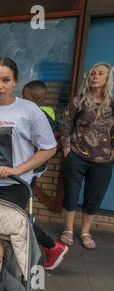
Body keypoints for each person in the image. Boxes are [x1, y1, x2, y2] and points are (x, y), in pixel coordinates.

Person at [0, 57, 68, 271]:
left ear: (14, 82)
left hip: (14, 182)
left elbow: (49, 148)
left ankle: (8, 273)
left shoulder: (29, 110)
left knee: (8, 229)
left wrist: (17, 170)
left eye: (5, 80)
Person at [60, 62, 114, 249]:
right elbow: (66, 125)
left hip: (104, 161)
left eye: (100, 73)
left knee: (94, 196)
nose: (95, 76)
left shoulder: (112, 103)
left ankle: (85, 231)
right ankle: (68, 229)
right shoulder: (78, 102)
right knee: (71, 194)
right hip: (76, 156)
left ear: (107, 79)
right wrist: (67, 151)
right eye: (92, 73)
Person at [22, 80, 58, 188]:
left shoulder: (36, 116)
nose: (22, 100)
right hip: (36, 166)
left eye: (24, 97)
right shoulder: (49, 112)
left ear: (34, 98)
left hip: (30, 166)